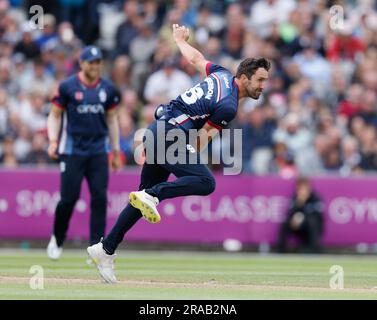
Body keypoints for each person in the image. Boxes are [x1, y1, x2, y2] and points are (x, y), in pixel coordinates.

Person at [87, 24, 270, 283]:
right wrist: (187, 163)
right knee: (206, 182)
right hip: (170, 135)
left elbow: (195, 58)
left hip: (157, 131)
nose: (263, 86)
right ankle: (154, 194)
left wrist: (179, 40)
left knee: (139, 202)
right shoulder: (228, 105)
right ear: (243, 78)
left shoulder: (220, 73)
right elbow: (200, 140)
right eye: (260, 80)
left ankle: (105, 250)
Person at [46, 45, 122, 260]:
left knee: (99, 198)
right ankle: (57, 238)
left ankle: (96, 248)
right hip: (72, 149)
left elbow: (112, 120)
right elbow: (54, 115)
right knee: (68, 199)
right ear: (82, 63)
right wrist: (53, 140)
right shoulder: (67, 87)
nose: (95, 66)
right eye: (91, 63)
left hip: (98, 150)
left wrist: (115, 152)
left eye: (98, 62)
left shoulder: (108, 89)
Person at [277, 177, 324, 254]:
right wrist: (299, 203)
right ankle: (281, 249)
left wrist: (303, 218)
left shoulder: (315, 198)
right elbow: (290, 212)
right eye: (300, 188)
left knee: (313, 222)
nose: (303, 191)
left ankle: (313, 249)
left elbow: (318, 215)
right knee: (286, 223)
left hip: (310, 227)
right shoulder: (295, 198)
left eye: (305, 188)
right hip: (297, 227)